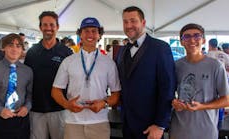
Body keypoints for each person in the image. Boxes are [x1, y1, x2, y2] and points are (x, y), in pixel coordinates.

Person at [51, 17, 121, 139]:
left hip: (99, 122)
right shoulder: (68, 61)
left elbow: (116, 94)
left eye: (94, 31)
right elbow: (55, 90)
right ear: (80, 35)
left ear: (99, 35)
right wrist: (67, 105)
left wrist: (104, 103)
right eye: (86, 31)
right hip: (73, 122)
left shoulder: (109, 63)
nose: (90, 34)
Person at [118, 6, 176, 139]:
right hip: (127, 124)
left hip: (151, 126)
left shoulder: (160, 48)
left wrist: (160, 124)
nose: (129, 25)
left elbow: (168, 87)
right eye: (125, 22)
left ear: (143, 23)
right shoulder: (122, 51)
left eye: (133, 21)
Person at [170, 23, 229, 139]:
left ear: (203, 40)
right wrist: (173, 102)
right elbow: (167, 92)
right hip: (178, 130)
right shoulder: (175, 66)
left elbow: (226, 100)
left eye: (197, 36)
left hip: (206, 131)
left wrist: (201, 106)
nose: (192, 40)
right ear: (181, 42)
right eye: (187, 37)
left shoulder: (215, 66)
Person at [24, 11, 73, 139]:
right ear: (40, 27)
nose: (48, 28)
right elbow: (27, 80)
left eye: (51, 25)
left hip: (59, 109)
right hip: (36, 109)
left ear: (57, 27)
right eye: (45, 25)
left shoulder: (66, 52)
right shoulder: (32, 52)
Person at [0, 33, 33, 139]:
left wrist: (27, 107)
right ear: (3, 48)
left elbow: (30, 94)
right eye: (10, 45)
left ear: (22, 49)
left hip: (22, 120)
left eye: (18, 46)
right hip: (0, 119)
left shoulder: (28, 71)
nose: (14, 49)